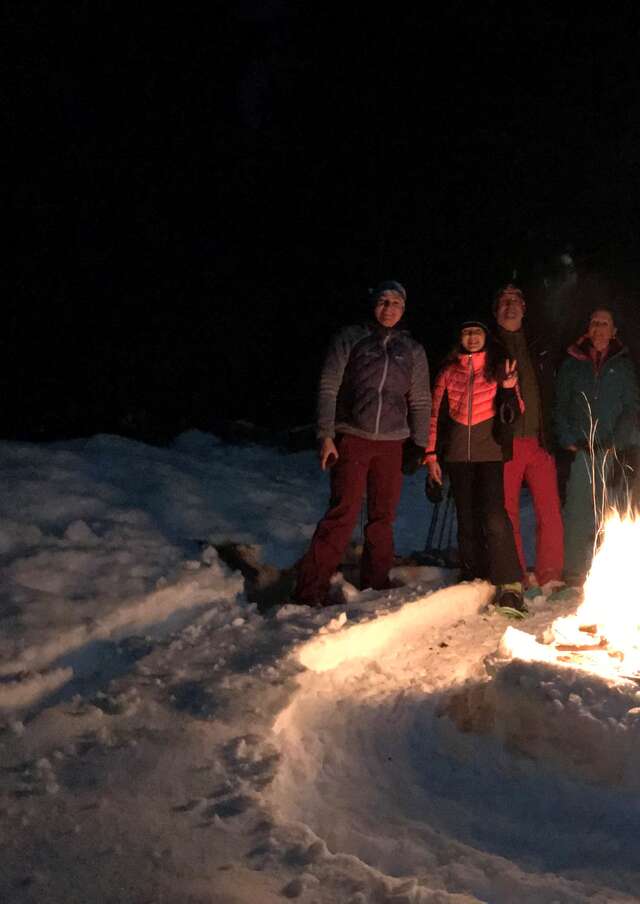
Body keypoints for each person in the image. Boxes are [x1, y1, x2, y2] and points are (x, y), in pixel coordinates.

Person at [292, 280, 431, 606]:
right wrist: (326, 435)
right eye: (383, 301)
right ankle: (309, 590)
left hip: (392, 442)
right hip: (353, 436)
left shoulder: (412, 350)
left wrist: (419, 443)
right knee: (343, 512)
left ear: (404, 309)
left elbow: (421, 399)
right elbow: (329, 386)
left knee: (383, 518)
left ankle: (376, 583)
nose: (389, 308)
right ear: (374, 305)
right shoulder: (351, 338)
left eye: (396, 303)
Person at [425, 319, 526, 611]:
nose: (471, 337)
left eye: (477, 332)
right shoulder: (448, 371)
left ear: (485, 336)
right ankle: (473, 575)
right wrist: (431, 455)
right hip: (457, 455)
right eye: (467, 332)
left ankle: (509, 582)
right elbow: (434, 415)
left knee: (494, 516)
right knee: (466, 518)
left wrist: (508, 387)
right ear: (460, 337)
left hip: (490, 452)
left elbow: (517, 410)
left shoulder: (498, 368)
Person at [554, 308, 640, 585]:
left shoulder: (622, 366)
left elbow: (631, 407)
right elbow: (560, 404)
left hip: (615, 451)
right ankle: (575, 573)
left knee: (614, 510)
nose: (599, 328)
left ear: (614, 331)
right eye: (594, 322)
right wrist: (568, 438)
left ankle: (614, 574)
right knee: (579, 512)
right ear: (588, 328)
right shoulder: (572, 363)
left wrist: (617, 442)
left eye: (604, 323)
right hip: (583, 451)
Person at [493, 283, 565, 592]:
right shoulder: (489, 345)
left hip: (539, 440)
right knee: (508, 512)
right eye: (504, 301)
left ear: (524, 308)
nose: (510, 307)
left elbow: (552, 389)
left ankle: (551, 575)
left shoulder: (538, 345)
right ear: (496, 310)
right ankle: (517, 575)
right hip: (506, 444)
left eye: (515, 301)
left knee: (549, 510)